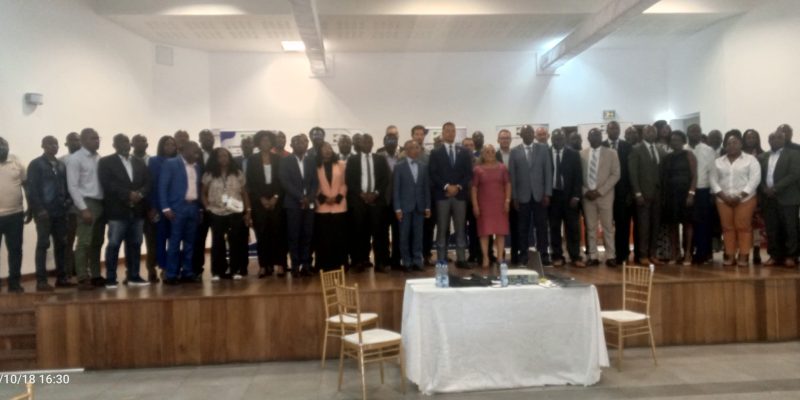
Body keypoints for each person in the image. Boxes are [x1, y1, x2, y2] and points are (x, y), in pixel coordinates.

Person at [98, 134, 151, 289]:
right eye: (120, 142)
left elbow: (148, 182)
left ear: (130, 144)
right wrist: (128, 194)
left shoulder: (139, 162)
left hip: (137, 210)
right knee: (114, 244)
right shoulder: (106, 162)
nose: (125, 144)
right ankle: (110, 278)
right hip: (117, 210)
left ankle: (134, 276)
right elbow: (107, 183)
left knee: (135, 243)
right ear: (114, 145)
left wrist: (140, 194)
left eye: (127, 141)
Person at [28, 136, 72, 291]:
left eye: (56, 144)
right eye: (50, 144)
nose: (54, 146)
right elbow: (32, 190)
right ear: (43, 146)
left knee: (62, 244)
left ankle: (62, 278)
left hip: (60, 211)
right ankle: (41, 281)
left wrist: (67, 202)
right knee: (43, 245)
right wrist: (39, 209)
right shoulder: (36, 164)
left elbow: (66, 186)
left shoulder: (61, 165)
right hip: (44, 213)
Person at [710, 135, 761, 267]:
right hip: (723, 200)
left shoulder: (751, 160)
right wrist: (724, 197)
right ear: (725, 146)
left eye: (735, 143)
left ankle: (744, 255)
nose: (732, 145)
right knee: (727, 228)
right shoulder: (718, 161)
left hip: (745, 199)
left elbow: (755, 179)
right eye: (729, 143)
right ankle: (730, 255)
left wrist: (740, 196)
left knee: (743, 227)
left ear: (741, 145)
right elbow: (713, 180)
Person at [202, 147, 251, 281]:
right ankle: (218, 271)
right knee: (217, 242)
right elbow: (203, 193)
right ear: (215, 159)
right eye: (220, 156)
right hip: (216, 212)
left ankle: (235, 269)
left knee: (235, 241)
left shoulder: (238, 173)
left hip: (235, 211)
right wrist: (207, 207)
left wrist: (248, 211)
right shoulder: (209, 174)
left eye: (226, 156)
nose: (223, 158)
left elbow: (244, 193)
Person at [429, 122, 473, 268]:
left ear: (455, 133)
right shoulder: (435, 153)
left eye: (452, 131)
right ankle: (441, 258)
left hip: (460, 196)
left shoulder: (464, 152)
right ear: (442, 133)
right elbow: (433, 174)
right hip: (443, 196)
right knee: (442, 228)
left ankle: (461, 259)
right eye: (447, 131)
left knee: (461, 228)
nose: (450, 133)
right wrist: (447, 186)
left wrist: (458, 187)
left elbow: (468, 174)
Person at [345, 134, 391, 272]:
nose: (367, 144)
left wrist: (376, 193)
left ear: (372, 143)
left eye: (369, 141)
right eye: (364, 141)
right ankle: (359, 261)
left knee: (379, 233)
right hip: (358, 200)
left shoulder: (380, 159)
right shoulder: (353, 159)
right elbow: (349, 179)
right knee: (359, 232)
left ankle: (380, 263)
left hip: (377, 201)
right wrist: (361, 194)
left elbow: (385, 179)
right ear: (360, 144)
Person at [159, 141, 203, 285]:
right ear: (185, 150)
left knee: (190, 243)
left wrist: (199, 208)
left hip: (193, 207)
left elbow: (198, 189)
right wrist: (165, 208)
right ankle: (171, 274)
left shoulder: (197, 167)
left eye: (198, 151)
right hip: (177, 208)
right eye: (194, 151)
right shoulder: (171, 163)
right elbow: (163, 186)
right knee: (174, 242)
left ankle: (187, 272)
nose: (197, 154)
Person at [67, 128, 105, 290]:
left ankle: (95, 275)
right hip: (86, 203)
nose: (97, 141)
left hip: (101, 203)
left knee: (97, 241)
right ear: (83, 141)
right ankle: (82, 277)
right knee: (84, 242)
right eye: (92, 138)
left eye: (98, 138)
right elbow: (72, 186)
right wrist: (83, 208)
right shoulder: (76, 159)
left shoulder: (99, 158)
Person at [508, 125, 552, 266]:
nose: (528, 134)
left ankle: (543, 254)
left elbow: (548, 172)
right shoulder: (514, 152)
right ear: (521, 135)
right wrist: (514, 197)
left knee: (542, 227)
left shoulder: (543, 149)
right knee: (523, 228)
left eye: (530, 132)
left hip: (540, 195)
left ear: (534, 134)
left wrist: (547, 193)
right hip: (522, 196)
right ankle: (523, 255)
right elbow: (512, 176)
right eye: (525, 133)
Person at [247, 131, 287, 277]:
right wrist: (261, 198)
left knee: (278, 233)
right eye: (263, 140)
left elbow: (282, 180)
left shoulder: (278, 159)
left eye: (268, 140)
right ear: (258, 142)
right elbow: (251, 182)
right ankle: (264, 265)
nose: (266, 142)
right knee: (262, 234)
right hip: (259, 203)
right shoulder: (252, 159)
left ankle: (281, 264)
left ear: (272, 142)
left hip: (277, 201)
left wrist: (275, 197)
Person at [759, 132, 800, 268]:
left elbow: (794, 174)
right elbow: (758, 176)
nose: (775, 140)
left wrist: (775, 188)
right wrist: (764, 188)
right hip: (768, 198)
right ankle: (774, 255)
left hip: (788, 197)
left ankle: (791, 256)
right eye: (772, 138)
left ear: (784, 140)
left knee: (790, 228)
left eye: (779, 138)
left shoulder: (794, 154)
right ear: (768, 141)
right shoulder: (763, 156)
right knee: (772, 228)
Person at [280, 134, 319, 277]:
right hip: (293, 204)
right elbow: (285, 182)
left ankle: (306, 264)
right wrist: (301, 197)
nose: (301, 144)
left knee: (308, 235)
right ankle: (295, 266)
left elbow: (315, 182)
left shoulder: (311, 160)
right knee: (294, 236)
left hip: (309, 204)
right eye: (297, 142)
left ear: (307, 144)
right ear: (291, 145)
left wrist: (310, 198)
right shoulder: (285, 161)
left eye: (303, 142)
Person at [581, 128, 620, 267]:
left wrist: (600, 191)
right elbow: (577, 176)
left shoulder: (612, 153)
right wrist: (585, 191)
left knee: (608, 227)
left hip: (605, 195)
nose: (595, 138)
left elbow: (616, 174)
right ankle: (593, 255)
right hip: (588, 196)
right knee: (590, 227)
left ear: (601, 137)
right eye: (592, 136)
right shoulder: (582, 154)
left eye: (597, 135)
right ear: (588, 138)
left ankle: (610, 255)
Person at [629, 125, 666, 266]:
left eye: (653, 131)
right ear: (643, 134)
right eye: (648, 131)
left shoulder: (660, 150)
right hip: (643, 194)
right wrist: (637, 193)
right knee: (643, 226)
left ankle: (653, 253)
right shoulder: (636, 149)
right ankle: (643, 254)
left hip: (658, 194)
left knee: (656, 225)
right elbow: (633, 173)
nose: (651, 133)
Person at [660, 131, 697, 265]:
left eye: (677, 140)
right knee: (672, 224)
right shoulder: (667, 157)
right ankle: (674, 253)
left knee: (687, 224)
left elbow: (694, 176)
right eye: (672, 140)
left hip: (685, 194)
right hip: (671, 194)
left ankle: (687, 253)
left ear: (683, 141)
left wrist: (691, 193)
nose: (674, 142)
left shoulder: (689, 155)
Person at [394, 140, 431, 272]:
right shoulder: (399, 167)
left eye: (417, 147)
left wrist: (428, 206)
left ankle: (417, 261)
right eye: (412, 148)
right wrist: (397, 208)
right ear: (406, 150)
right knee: (404, 236)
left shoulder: (423, 166)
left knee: (418, 236)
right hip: (404, 207)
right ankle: (406, 262)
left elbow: (426, 188)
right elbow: (396, 189)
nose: (416, 150)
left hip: (419, 206)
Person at [471, 145, 511, 269]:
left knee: (500, 232)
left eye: (492, 151)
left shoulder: (502, 168)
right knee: (484, 232)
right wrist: (475, 205)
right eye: (487, 152)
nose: (490, 154)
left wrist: (507, 200)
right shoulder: (477, 169)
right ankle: (485, 257)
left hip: (500, 204)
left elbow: (507, 184)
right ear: (483, 154)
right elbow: (474, 188)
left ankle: (500, 257)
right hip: (484, 205)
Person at [548, 130, 584, 267]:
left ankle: (575, 256)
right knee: (554, 227)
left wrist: (576, 196)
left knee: (573, 228)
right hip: (552, 196)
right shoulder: (546, 153)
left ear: (565, 139)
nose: (558, 141)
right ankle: (557, 256)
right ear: (551, 139)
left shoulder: (573, 154)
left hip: (570, 197)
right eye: (555, 138)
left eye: (561, 138)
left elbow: (578, 176)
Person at [145, 136, 178, 281]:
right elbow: (152, 185)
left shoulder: (179, 161)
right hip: (159, 205)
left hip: (175, 205)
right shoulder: (154, 161)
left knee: (174, 238)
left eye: (172, 144)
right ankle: (163, 267)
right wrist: (152, 206)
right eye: (167, 144)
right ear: (161, 146)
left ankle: (172, 267)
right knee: (160, 238)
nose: (170, 147)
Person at [603, 121, 634, 265]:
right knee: (607, 226)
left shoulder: (627, 146)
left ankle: (623, 254)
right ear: (607, 130)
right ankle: (610, 254)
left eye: (616, 128)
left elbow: (631, 171)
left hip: (623, 193)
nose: (614, 130)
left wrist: (630, 192)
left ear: (620, 130)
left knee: (623, 225)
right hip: (605, 192)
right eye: (611, 128)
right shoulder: (601, 146)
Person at [314, 142, 348, 271]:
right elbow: (313, 185)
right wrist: (323, 198)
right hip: (322, 206)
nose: (327, 150)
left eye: (329, 148)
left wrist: (337, 197)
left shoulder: (341, 164)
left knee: (340, 237)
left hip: (339, 206)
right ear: (319, 151)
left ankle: (341, 264)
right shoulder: (315, 166)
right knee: (323, 238)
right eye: (324, 148)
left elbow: (345, 184)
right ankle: (323, 266)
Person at [0, 138, 27, 293]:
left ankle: (14, 282)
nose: (2, 150)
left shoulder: (16, 161)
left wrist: (31, 207)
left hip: (15, 214)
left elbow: (26, 184)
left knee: (16, 250)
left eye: (4, 147)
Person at [687, 124, 717, 264]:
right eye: (692, 131)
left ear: (701, 134)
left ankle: (702, 253)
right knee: (688, 223)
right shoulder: (683, 149)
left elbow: (713, 172)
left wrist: (712, 192)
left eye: (698, 131)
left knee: (703, 224)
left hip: (703, 190)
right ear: (687, 133)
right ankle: (688, 252)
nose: (695, 133)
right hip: (686, 191)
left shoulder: (708, 150)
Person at [409, 125, 434, 266]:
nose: (419, 136)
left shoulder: (428, 155)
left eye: (421, 134)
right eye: (416, 134)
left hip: (425, 197)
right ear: (412, 136)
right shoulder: (404, 154)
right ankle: (412, 257)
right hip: (410, 199)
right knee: (412, 229)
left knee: (427, 228)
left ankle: (426, 255)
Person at [377, 126, 401, 269]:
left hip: (399, 201)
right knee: (383, 233)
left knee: (398, 232)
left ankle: (396, 260)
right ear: (384, 143)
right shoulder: (378, 156)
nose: (391, 144)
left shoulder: (403, 155)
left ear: (397, 142)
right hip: (383, 200)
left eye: (393, 141)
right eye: (388, 141)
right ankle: (384, 260)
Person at [742, 129, 767, 264]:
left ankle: (756, 251)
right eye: (748, 137)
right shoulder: (739, 155)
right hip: (742, 194)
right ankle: (743, 251)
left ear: (757, 139)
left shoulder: (764, 155)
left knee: (757, 224)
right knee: (743, 223)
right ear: (744, 139)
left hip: (758, 193)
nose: (751, 140)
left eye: (753, 137)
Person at [193, 129, 216, 277]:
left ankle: (218, 268)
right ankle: (197, 269)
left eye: (210, 137)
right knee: (199, 238)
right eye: (205, 137)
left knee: (218, 238)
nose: (208, 139)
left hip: (217, 204)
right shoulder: (194, 156)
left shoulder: (219, 154)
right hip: (199, 204)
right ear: (200, 140)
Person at [61, 132, 82, 280]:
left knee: (85, 241)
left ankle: (82, 269)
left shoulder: (88, 159)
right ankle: (67, 270)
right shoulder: (62, 161)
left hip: (86, 205)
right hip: (69, 207)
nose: (76, 142)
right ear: (66, 143)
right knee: (68, 240)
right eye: (72, 140)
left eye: (78, 140)